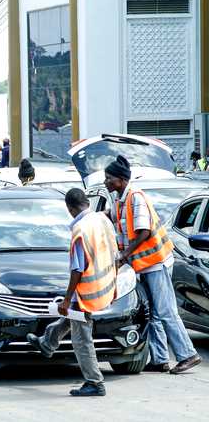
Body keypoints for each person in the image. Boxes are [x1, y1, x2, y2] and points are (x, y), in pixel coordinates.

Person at [104, 155, 201, 374]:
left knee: (165, 311)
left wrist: (124, 255)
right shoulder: (120, 199)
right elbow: (112, 217)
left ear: (120, 179)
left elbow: (144, 232)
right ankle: (160, 359)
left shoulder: (136, 197)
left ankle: (188, 354)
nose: (105, 182)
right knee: (153, 313)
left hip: (155, 262)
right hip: (143, 264)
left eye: (108, 178)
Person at [27, 189, 117, 396]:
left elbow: (77, 268)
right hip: (102, 284)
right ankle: (47, 342)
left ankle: (95, 382)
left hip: (86, 290)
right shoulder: (101, 220)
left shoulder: (80, 230)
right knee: (71, 320)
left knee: (81, 338)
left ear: (69, 208)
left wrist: (67, 299)